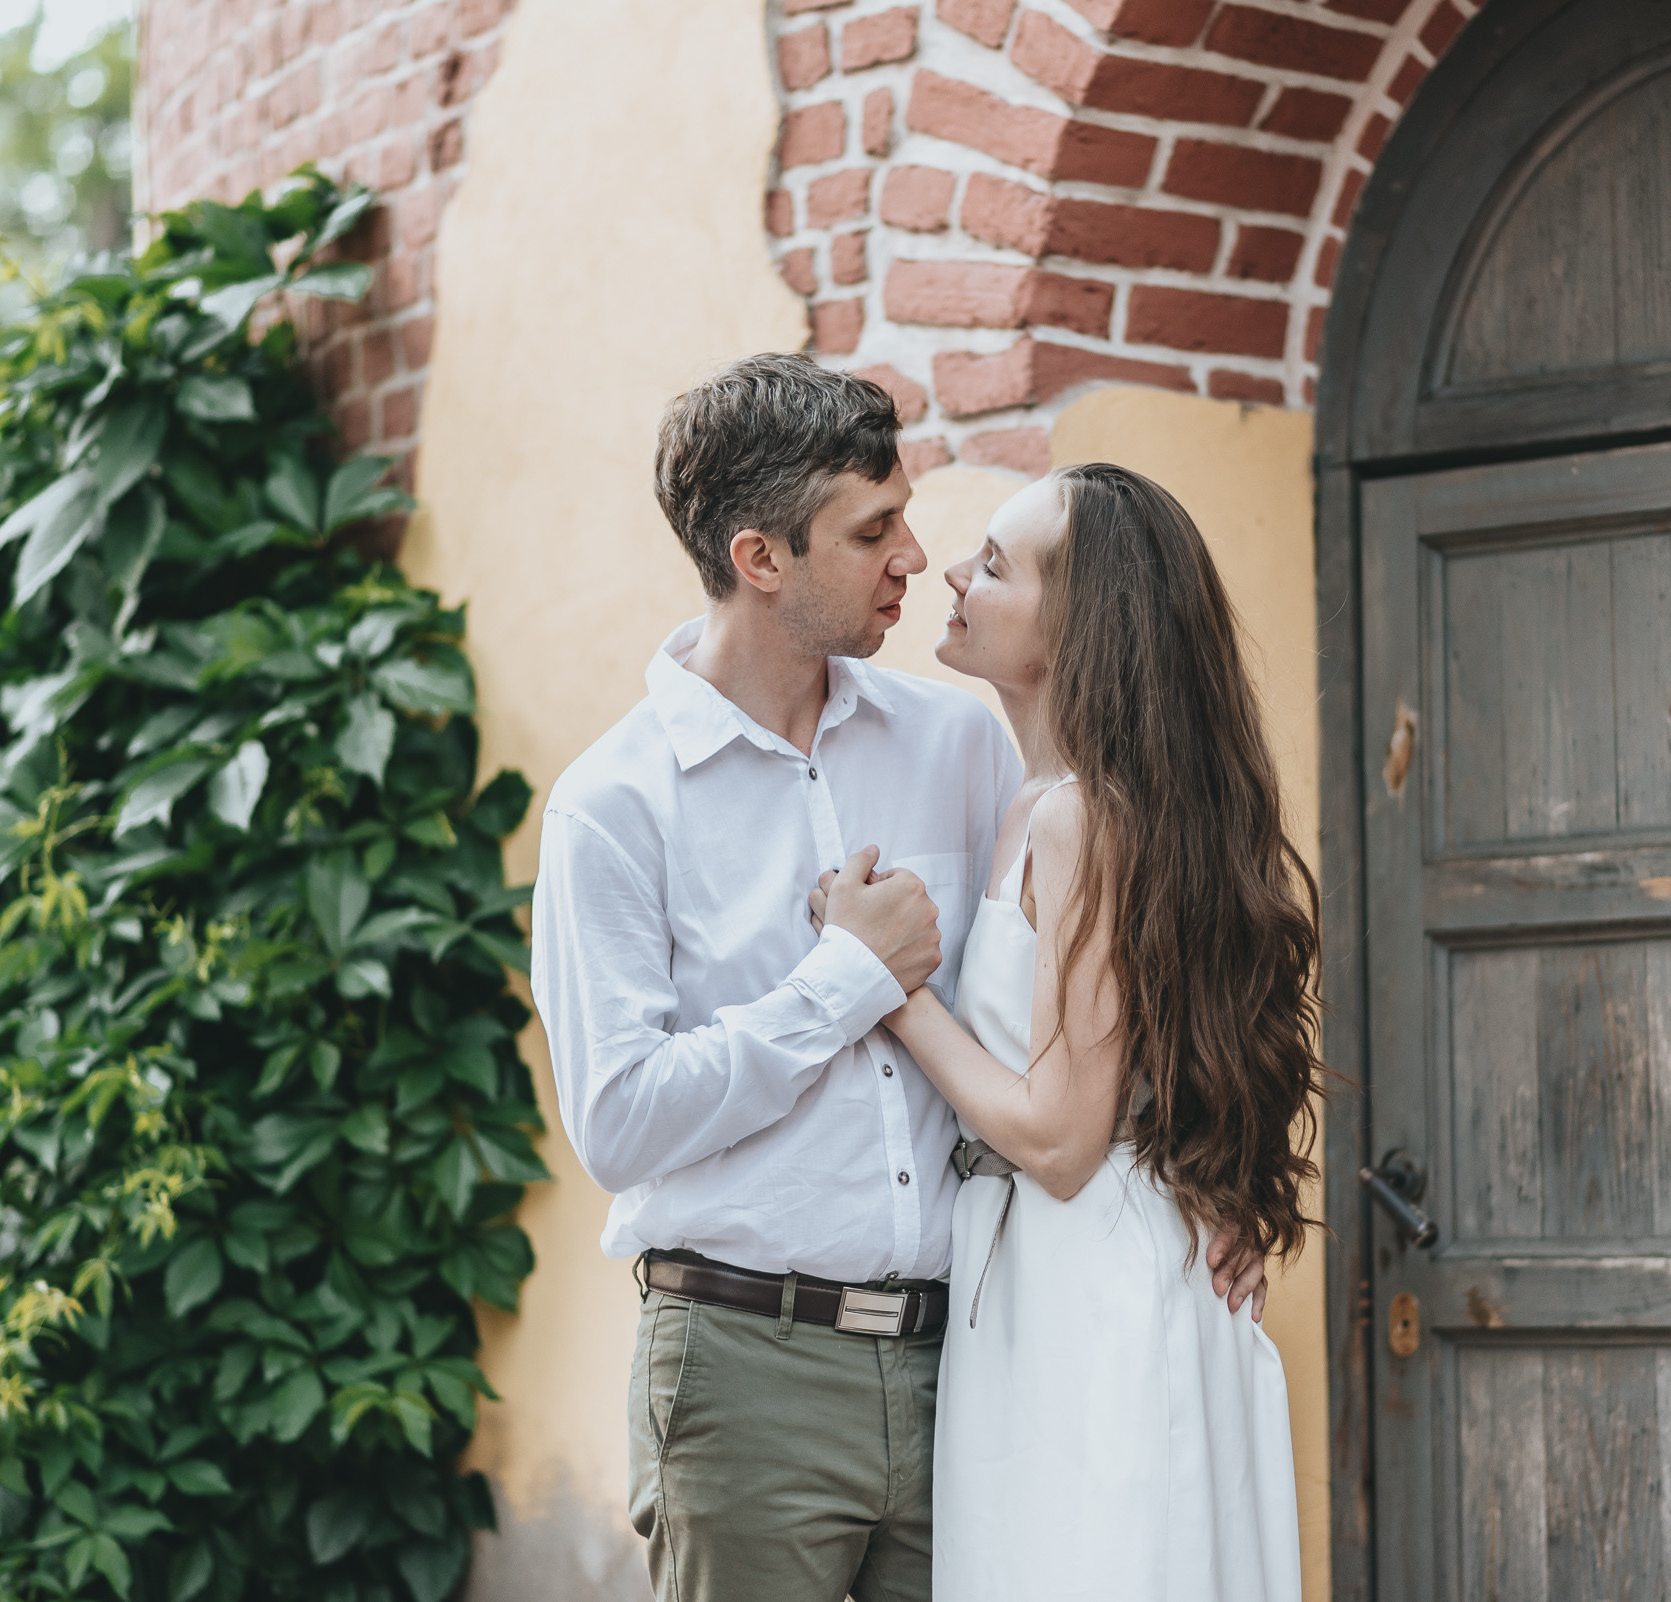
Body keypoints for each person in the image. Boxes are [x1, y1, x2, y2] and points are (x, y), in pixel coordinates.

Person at [529, 355, 1269, 1602]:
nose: (914, 557)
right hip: (746, 1371)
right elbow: (618, 1124)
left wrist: (1214, 1169)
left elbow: (1088, 998)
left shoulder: (961, 741)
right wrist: (845, 980)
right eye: (873, 530)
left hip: (971, 1367)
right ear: (763, 560)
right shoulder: (612, 807)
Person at [814, 463, 1317, 1601]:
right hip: (1045, 1273)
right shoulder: (1046, 801)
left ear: (1080, 626)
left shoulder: (1079, 818)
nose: (951, 570)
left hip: (1089, 1283)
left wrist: (888, 986)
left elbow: (1059, 1135)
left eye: (995, 563)